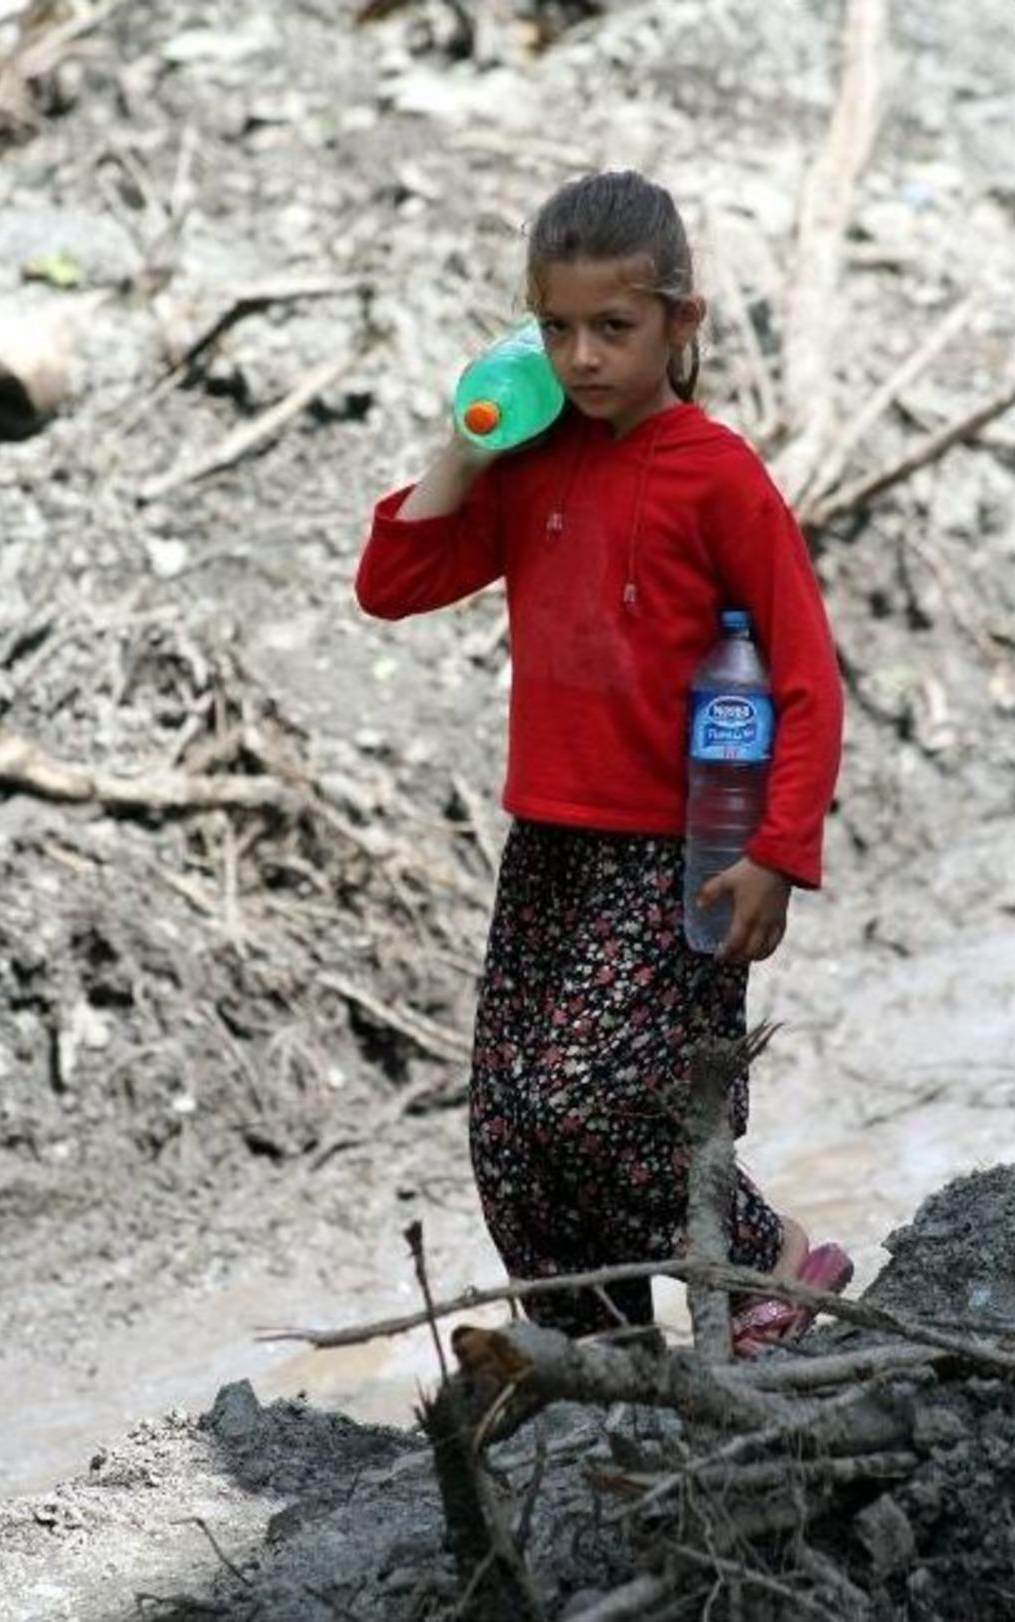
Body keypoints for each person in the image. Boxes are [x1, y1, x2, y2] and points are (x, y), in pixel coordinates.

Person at [354, 170, 850, 1354]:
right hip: (550, 844)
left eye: (613, 329)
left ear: (683, 323)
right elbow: (393, 584)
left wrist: (778, 850)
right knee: (515, 1134)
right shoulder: (534, 463)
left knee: (606, 1104)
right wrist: (472, 439)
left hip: (681, 852)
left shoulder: (716, 474)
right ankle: (597, 1356)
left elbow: (806, 674)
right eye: (557, 329)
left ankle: (776, 1257)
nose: (582, 357)